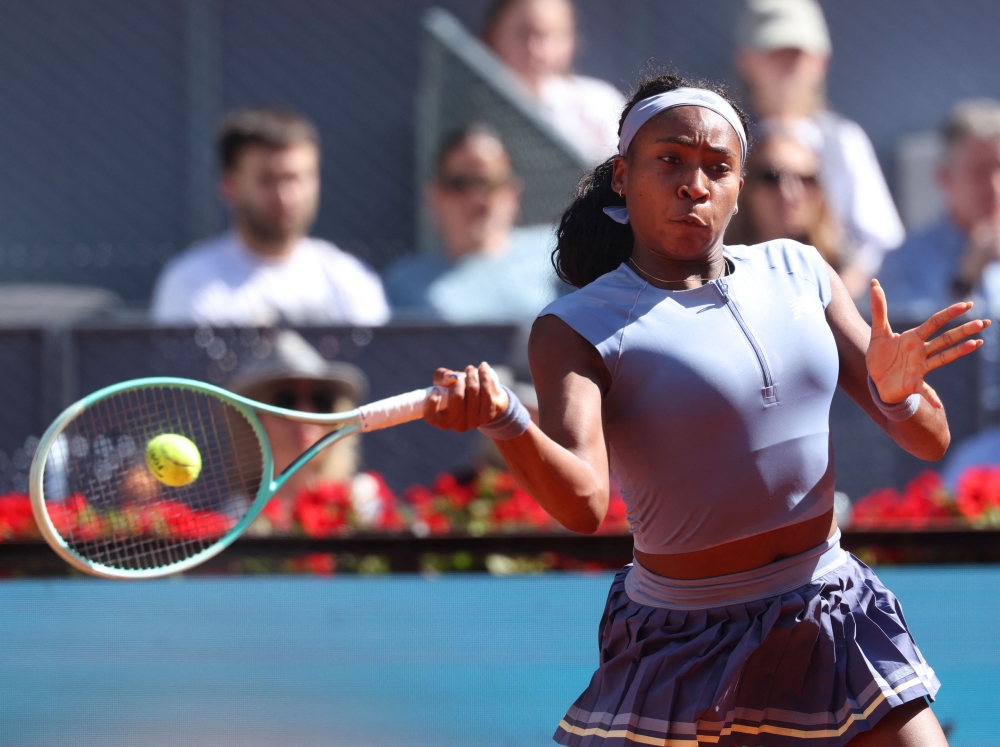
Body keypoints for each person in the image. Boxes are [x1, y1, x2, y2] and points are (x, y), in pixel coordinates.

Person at [421, 71, 988, 745]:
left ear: (739, 186)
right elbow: (580, 502)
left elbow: (930, 440)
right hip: (686, 641)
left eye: (718, 167)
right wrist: (506, 419)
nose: (695, 182)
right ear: (622, 176)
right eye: (671, 160)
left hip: (827, 607)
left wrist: (898, 393)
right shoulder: (575, 325)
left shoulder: (800, 269)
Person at [151, 108, 389, 326]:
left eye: (295, 178)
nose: (285, 197)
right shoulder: (190, 282)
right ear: (230, 185)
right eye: (267, 180)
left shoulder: (351, 280)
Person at [735, 0, 905, 299]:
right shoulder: (725, 137)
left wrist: (831, 303)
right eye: (775, 52)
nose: (787, 66)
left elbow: (879, 242)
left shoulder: (843, 140)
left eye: (798, 54)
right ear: (745, 59)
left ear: (820, 62)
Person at [383, 124, 563, 325]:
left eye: (488, 183)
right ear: (433, 195)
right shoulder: (404, 284)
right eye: (460, 184)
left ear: (513, 194)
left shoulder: (560, 252)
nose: (475, 198)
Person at [227, 330, 370, 533]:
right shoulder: (236, 513)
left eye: (322, 400)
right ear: (253, 418)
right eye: (285, 399)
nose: (306, 412)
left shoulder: (364, 504)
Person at [878, 99, 1000, 320]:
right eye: (979, 171)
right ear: (945, 177)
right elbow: (911, 341)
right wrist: (965, 280)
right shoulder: (905, 261)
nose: (994, 187)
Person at [483, 0, 624, 163]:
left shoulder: (601, 104)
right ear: (494, 34)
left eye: (547, 35)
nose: (534, 49)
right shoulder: (464, 106)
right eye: (523, 33)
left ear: (571, 41)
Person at [726, 124, 844, 268]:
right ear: (744, 187)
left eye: (807, 179)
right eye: (772, 177)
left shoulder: (846, 273)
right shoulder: (715, 271)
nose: (791, 192)